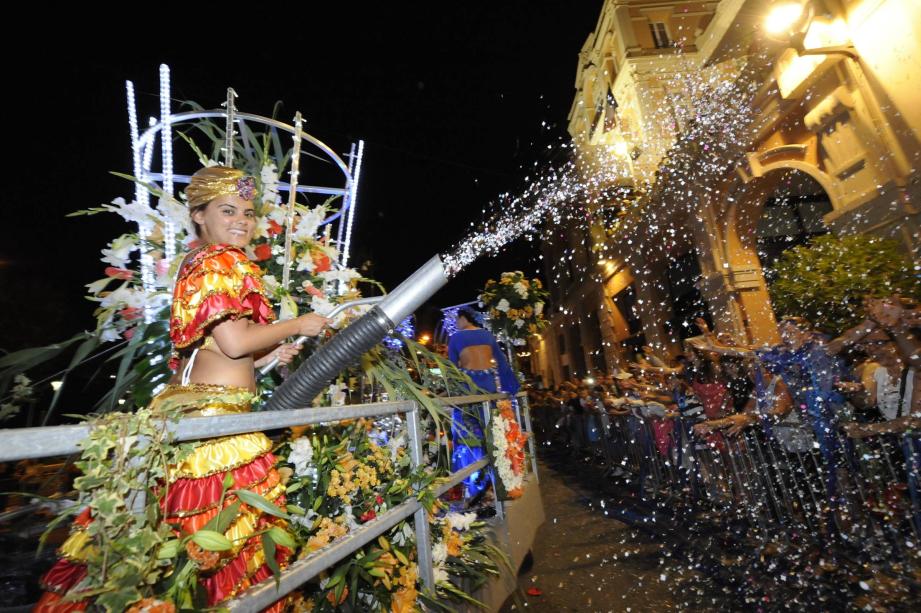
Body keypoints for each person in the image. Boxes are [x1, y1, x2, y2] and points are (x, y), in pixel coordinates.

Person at [37, 166, 330, 612]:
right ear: (198, 215)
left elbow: (217, 349)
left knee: (196, 546)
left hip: (203, 409)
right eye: (228, 210)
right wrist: (298, 324)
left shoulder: (201, 260)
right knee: (233, 545)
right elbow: (234, 342)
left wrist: (268, 356)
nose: (242, 221)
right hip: (214, 423)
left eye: (248, 213)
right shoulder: (219, 261)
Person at [446, 307, 520, 497]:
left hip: (469, 387)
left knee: (468, 434)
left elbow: (452, 369)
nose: (456, 323)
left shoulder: (456, 338)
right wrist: (511, 387)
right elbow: (502, 363)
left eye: (457, 319)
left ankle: (473, 482)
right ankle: (502, 481)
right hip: (489, 386)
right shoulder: (488, 335)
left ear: (464, 318)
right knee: (494, 432)